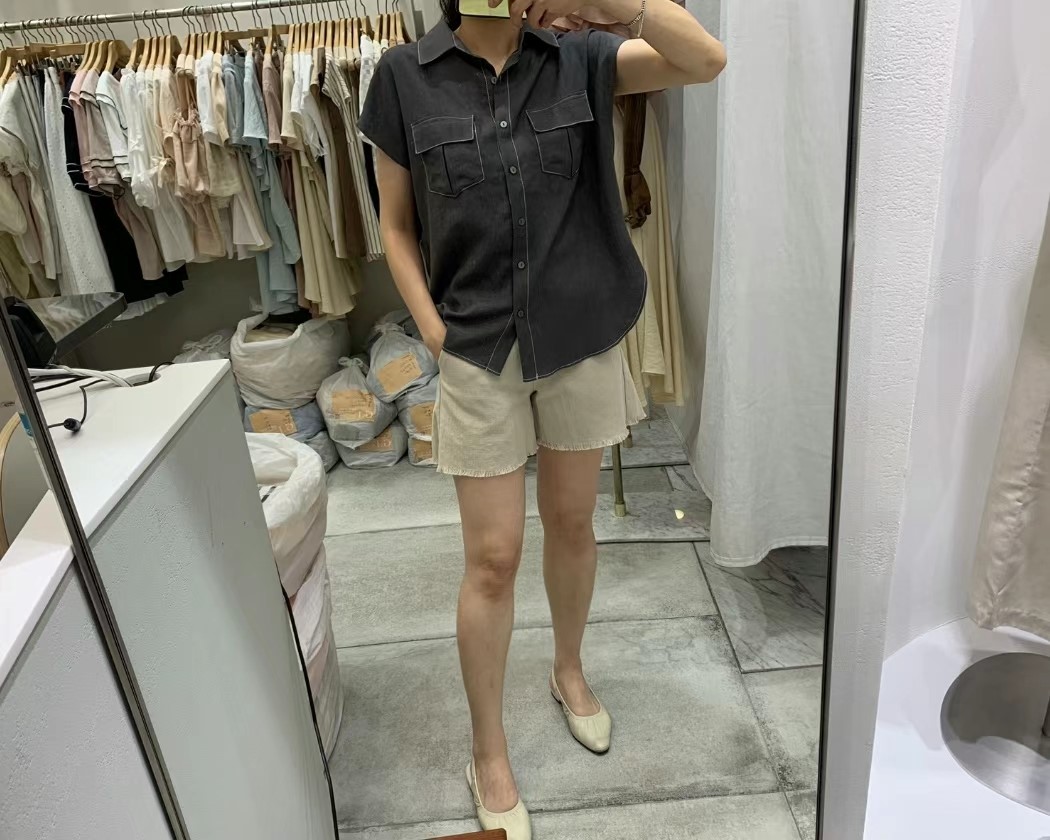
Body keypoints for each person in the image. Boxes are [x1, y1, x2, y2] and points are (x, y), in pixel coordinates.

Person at [359, 0, 724, 834]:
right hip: (478, 346)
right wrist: (433, 329)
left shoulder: (581, 59)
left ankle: (568, 669)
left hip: (579, 335)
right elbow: (396, 225)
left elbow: (704, 59)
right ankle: (487, 750)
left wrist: (609, 5)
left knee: (572, 522)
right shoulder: (402, 77)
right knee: (492, 558)